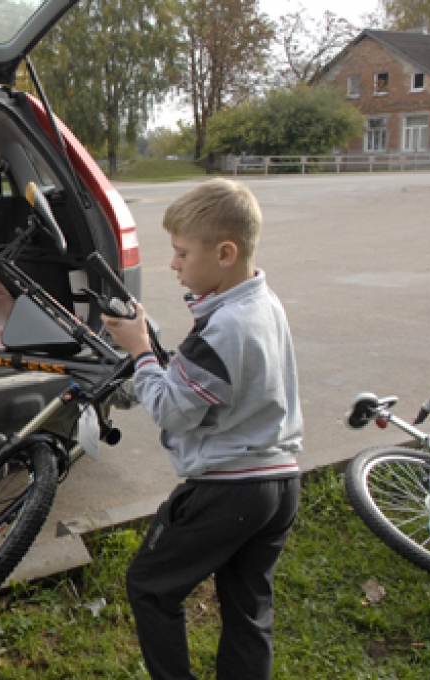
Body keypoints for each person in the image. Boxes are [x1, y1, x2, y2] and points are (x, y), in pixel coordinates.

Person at [104, 178, 303, 680]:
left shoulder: (225, 326)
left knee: (150, 585)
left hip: (229, 489)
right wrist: (153, 347)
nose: (173, 263)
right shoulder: (262, 304)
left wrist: (140, 353)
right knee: (247, 607)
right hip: (280, 482)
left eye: (181, 252)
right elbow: (216, 383)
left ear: (226, 252)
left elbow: (172, 408)